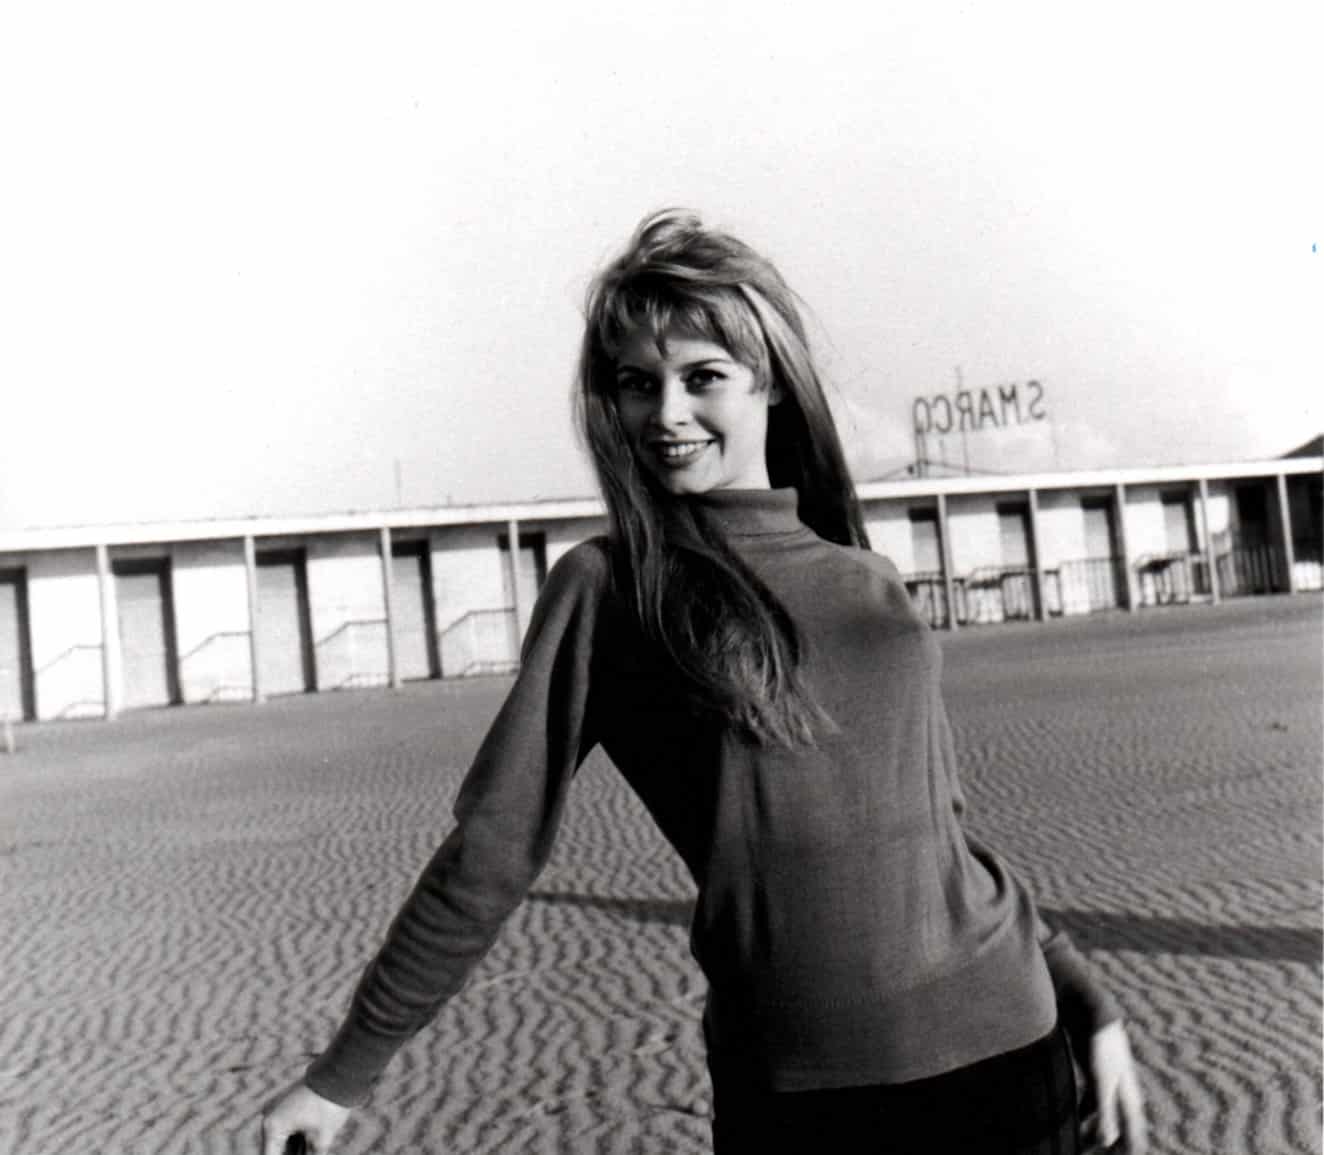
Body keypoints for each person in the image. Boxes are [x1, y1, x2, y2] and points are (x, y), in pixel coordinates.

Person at [262, 209, 1148, 1154]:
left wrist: (1086, 999)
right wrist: (340, 1075)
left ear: (766, 380)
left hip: (1010, 1057)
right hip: (804, 1099)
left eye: (702, 377)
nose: (666, 413)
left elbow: (942, 835)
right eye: (637, 385)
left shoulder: (868, 578)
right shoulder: (610, 588)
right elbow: (492, 851)